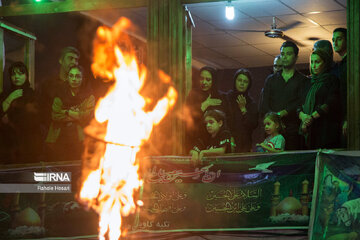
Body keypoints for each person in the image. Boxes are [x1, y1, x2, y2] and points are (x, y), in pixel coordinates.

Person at [259, 41, 310, 150]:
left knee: (290, 163)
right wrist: (274, 118)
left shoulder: (303, 80)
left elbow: (302, 101)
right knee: (271, 165)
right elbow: (264, 105)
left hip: (293, 131)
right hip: (272, 132)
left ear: (296, 57)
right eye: (282, 54)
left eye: (289, 54)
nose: (285, 57)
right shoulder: (271, 80)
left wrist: (285, 111)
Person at [45, 65, 95, 161]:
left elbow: (87, 117)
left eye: (77, 76)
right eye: (71, 76)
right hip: (59, 137)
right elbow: (55, 115)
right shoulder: (60, 93)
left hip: (80, 139)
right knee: (60, 170)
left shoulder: (88, 96)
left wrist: (67, 112)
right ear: (67, 77)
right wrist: (76, 115)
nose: (74, 79)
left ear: (82, 78)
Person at [0, 62, 42, 163]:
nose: (16, 77)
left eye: (20, 73)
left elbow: (35, 116)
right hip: (9, 143)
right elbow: (1, 112)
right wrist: (10, 98)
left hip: (29, 141)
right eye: (14, 74)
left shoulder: (33, 94)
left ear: (26, 75)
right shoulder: (5, 94)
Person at [298, 49, 340, 149]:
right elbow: (299, 103)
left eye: (317, 62)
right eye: (312, 62)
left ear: (325, 63)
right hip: (308, 129)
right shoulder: (307, 82)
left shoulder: (331, 80)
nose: (314, 65)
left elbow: (331, 102)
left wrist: (312, 117)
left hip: (324, 128)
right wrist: (303, 117)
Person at [185, 66, 227, 152]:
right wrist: (204, 105)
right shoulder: (193, 95)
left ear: (213, 81)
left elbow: (225, 120)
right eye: (201, 78)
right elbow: (188, 118)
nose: (204, 82)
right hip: (195, 140)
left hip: (215, 142)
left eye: (208, 80)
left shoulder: (220, 97)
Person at [39, 47, 80, 132]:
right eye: (70, 58)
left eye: (76, 60)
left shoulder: (81, 87)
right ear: (61, 60)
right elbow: (43, 112)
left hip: (75, 137)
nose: (74, 62)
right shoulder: (48, 85)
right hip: (53, 135)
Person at [226, 68, 258, 152]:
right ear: (235, 81)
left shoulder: (251, 103)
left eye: (245, 81)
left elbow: (253, 124)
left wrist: (243, 109)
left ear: (249, 84)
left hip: (244, 143)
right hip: (227, 140)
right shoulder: (227, 98)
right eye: (239, 80)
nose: (242, 84)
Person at [332, 28, 347, 146]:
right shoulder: (340, 65)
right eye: (333, 40)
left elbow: (351, 93)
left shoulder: (351, 63)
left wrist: (348, 118)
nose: (335, 43)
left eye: (339, 39)